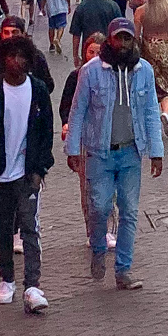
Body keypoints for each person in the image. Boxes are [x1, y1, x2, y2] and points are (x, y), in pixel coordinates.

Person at [65, 20, 164, 289]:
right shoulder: (90, 72)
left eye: (127, 39)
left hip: (131, 151)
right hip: (99, 152)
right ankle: (98, 247)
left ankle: (123, 269)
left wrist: (156, 151)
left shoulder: (144, 71)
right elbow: (78, 111)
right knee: (99, 207)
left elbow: (151, 112)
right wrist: (73, 149)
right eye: (118, 38)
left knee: (130, 211)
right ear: (109, 39)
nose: (123, 44)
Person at [0, 34, 53, 313]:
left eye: (22, 57)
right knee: (4, 226)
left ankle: (33, 285)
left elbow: (46, 133)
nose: (16, 62)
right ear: (2, 59)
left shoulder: (38, 90)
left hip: (27, 172)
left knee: (30, 226)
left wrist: (40, 169)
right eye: (11, 56)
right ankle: (7, 278)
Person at [59, 31, 115, 250]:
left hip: (108, 137)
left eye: (98, 52)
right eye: (90, 51)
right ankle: (92, 230)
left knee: (110, 186)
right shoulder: (77, 76)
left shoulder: (112, 74)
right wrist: (67, 125)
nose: (93, 56)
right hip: (85, 139)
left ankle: (109, 229)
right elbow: (66, 106)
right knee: (87, 187)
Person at [133, 0, 168, 138]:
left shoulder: (141, 11)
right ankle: (165, 112)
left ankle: (148, 121)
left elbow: (136, 36)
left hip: (148, 49)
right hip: (166, 48)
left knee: (150, 85)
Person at [0, 16, 55, 93]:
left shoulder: (37, 57)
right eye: (6, 32)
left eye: (15, 32)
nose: (10, 36)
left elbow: (48, 85)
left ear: (23, 34)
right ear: (1, 35)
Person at [70, 0, 120, 67]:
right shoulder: (113, 6)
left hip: (88, 51)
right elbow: (118, 32)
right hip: (109, 51)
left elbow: (76, 34)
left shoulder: (82, 6)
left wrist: (75, 56)